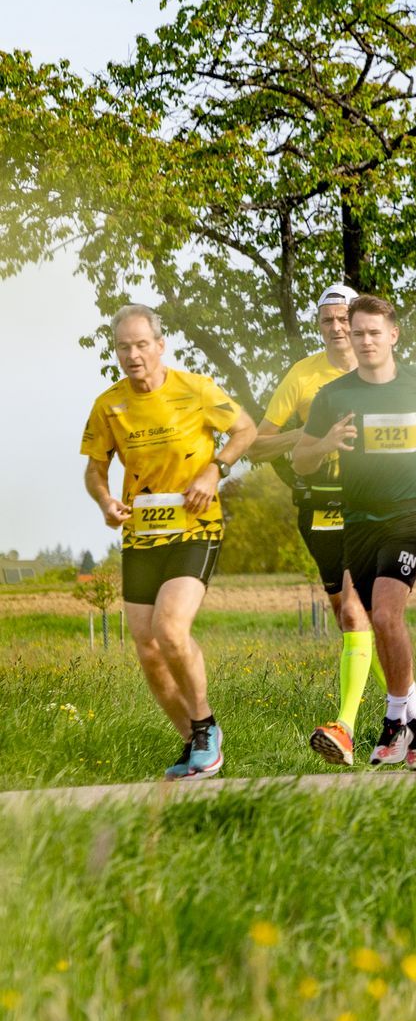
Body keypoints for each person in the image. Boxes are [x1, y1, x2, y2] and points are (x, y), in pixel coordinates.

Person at [81, 303, 257, 779]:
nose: (133, 354)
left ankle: (206, 728)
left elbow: (245, 430)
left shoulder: (195, 389)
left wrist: (213, 470)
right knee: (147, 646)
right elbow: (96, 470)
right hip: (141, 535)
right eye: (123, 347)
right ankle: (192, 742)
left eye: (141, 344)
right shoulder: (109, 404)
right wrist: (105, 502)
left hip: (195, 527)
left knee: (171, 629)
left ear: (160, 346)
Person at [295, 294, 416, 769]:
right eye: (357, 332)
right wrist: (325, 443)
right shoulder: (334, 395)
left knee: (384, 616)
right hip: (358, 522)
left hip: (409, 516)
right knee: (382, 628)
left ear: (393, 335)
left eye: (373, 333)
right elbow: (301, 460)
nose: (364, 341)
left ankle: (394, 721)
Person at [249, 283, 384, 767]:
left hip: (371, 507)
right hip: (318, 509)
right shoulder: (303, 376)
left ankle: (346, 726)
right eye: (327, 320)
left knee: (356, 612)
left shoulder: (378, 371)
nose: (337, 328)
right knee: (353, 618)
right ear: (318, 326)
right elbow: (256, 445)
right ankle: (411, 711)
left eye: (344, 318)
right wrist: (308, 436)